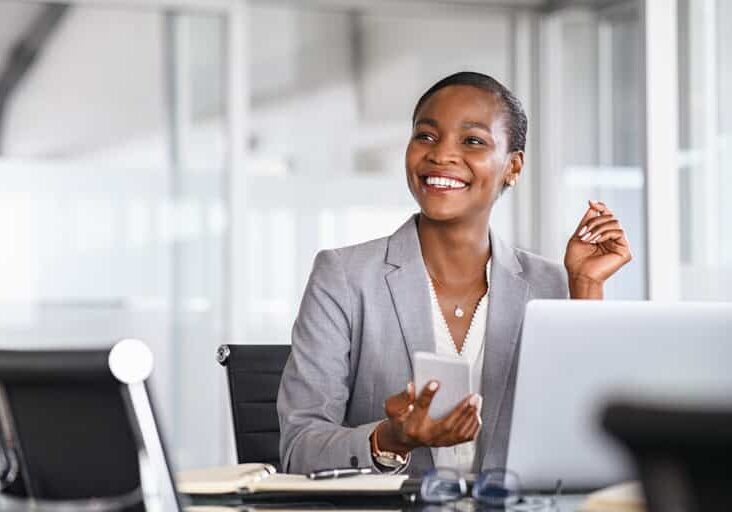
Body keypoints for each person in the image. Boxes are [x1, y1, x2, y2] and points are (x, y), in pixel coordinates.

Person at [277, 71, 632, 476]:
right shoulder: (343, 277)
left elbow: (589, 440)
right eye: (426, 136)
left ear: (513, 166)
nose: (441, 155)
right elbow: (299, 447)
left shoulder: (552, 285)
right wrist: (391, 439)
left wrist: (586, 287)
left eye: (473, 141)